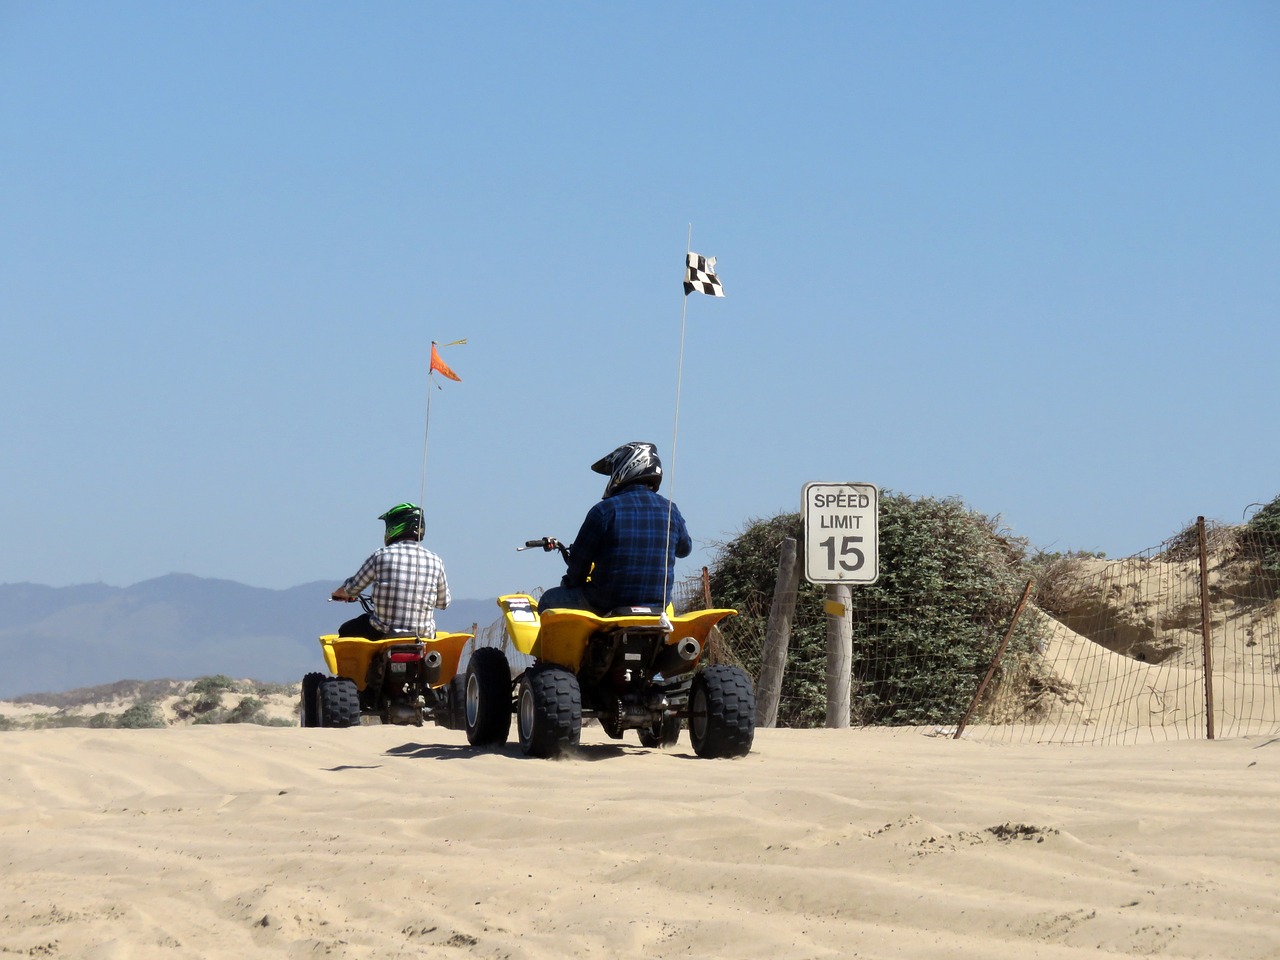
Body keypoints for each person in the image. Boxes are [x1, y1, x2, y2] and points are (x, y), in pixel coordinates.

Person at [537, 442, 692, 615]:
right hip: (658, 605)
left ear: (626, 467)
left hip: (606, 602)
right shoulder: (671, 510)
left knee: (548, 599)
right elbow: (685, 550)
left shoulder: (604, 511)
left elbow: (578, 564)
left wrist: (572, 581)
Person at [331, 503, 451, 639]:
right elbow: (443, 603)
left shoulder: (380, 556)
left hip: (383, 632)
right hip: (423, 635)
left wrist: (340, 593)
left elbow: (353, 588)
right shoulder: (435, 560)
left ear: (395, 527)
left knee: (346, 630)